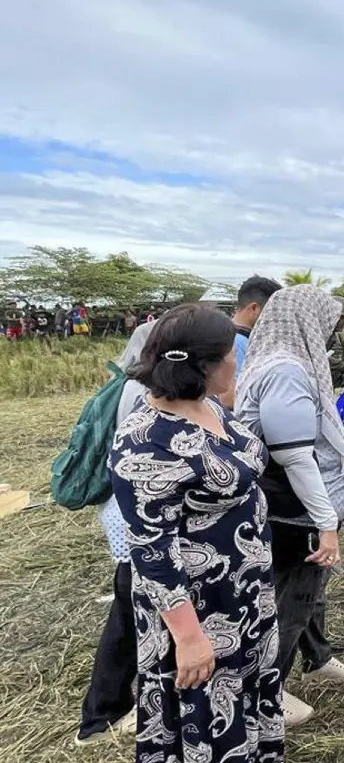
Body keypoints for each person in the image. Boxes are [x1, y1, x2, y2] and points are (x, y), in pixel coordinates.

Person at [109, 304, 284, 762]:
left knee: (246, 687)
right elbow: (152, 550)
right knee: (207, 701)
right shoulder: (144, 440)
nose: (237, 361)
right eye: (230, 354)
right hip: (197, 605)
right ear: (203, 364)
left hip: (242, 588)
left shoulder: (206, 405)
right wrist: (187, 637)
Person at [236, 286, 344, 727]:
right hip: (296, 510)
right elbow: (294, 455)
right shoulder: (287, 370)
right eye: (327, 321)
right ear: (306, 320)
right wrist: (326, 522)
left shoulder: (272, 361)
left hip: (290, 504)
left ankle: (319, 657)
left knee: (311, 589)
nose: (331, 331)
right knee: (292, 599)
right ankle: (266, 694)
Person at [77, 323, 160, 746]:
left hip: (127, 513)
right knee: (129, 613)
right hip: (135, 516)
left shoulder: (131, 383)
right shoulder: (140, 391)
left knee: (132, 607)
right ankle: (101, 714)